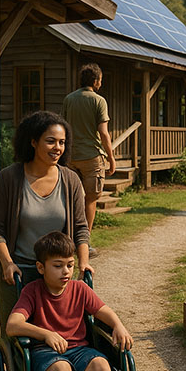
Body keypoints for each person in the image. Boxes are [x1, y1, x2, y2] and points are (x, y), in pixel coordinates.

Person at [6, 231, 133, 371]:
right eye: (58, 266)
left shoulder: (80, 288)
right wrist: (46, 334)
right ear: (40, 268)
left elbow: (104, 311)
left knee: (102, 366)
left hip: (79, 349)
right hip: (46, 352)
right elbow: (13, 325)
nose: (66, 271)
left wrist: (118, 325)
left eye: (70, 265)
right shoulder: (32, 291)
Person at [0, 111, 91, 337]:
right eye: (50, 141)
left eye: (62, 142)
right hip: (18, 271)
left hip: (56, 272)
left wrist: (83, 262)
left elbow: (81, 227)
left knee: (62, 336)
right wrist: (6, 263)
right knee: (18, 338)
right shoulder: (10, 178)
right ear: (33, 142)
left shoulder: (70, 179)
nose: (57, 148)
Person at [62, 63, 116, 253]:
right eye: (100, 80)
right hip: (92, 157)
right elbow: (103, 133)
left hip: (70, 156)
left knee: (70, 199)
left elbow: (63, 128)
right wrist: (111, 158)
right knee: (90, 200)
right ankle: (84, 244)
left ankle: (68, 239)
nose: (101, 83)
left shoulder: (69, 99)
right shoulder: (99, 101)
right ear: (95, 81)